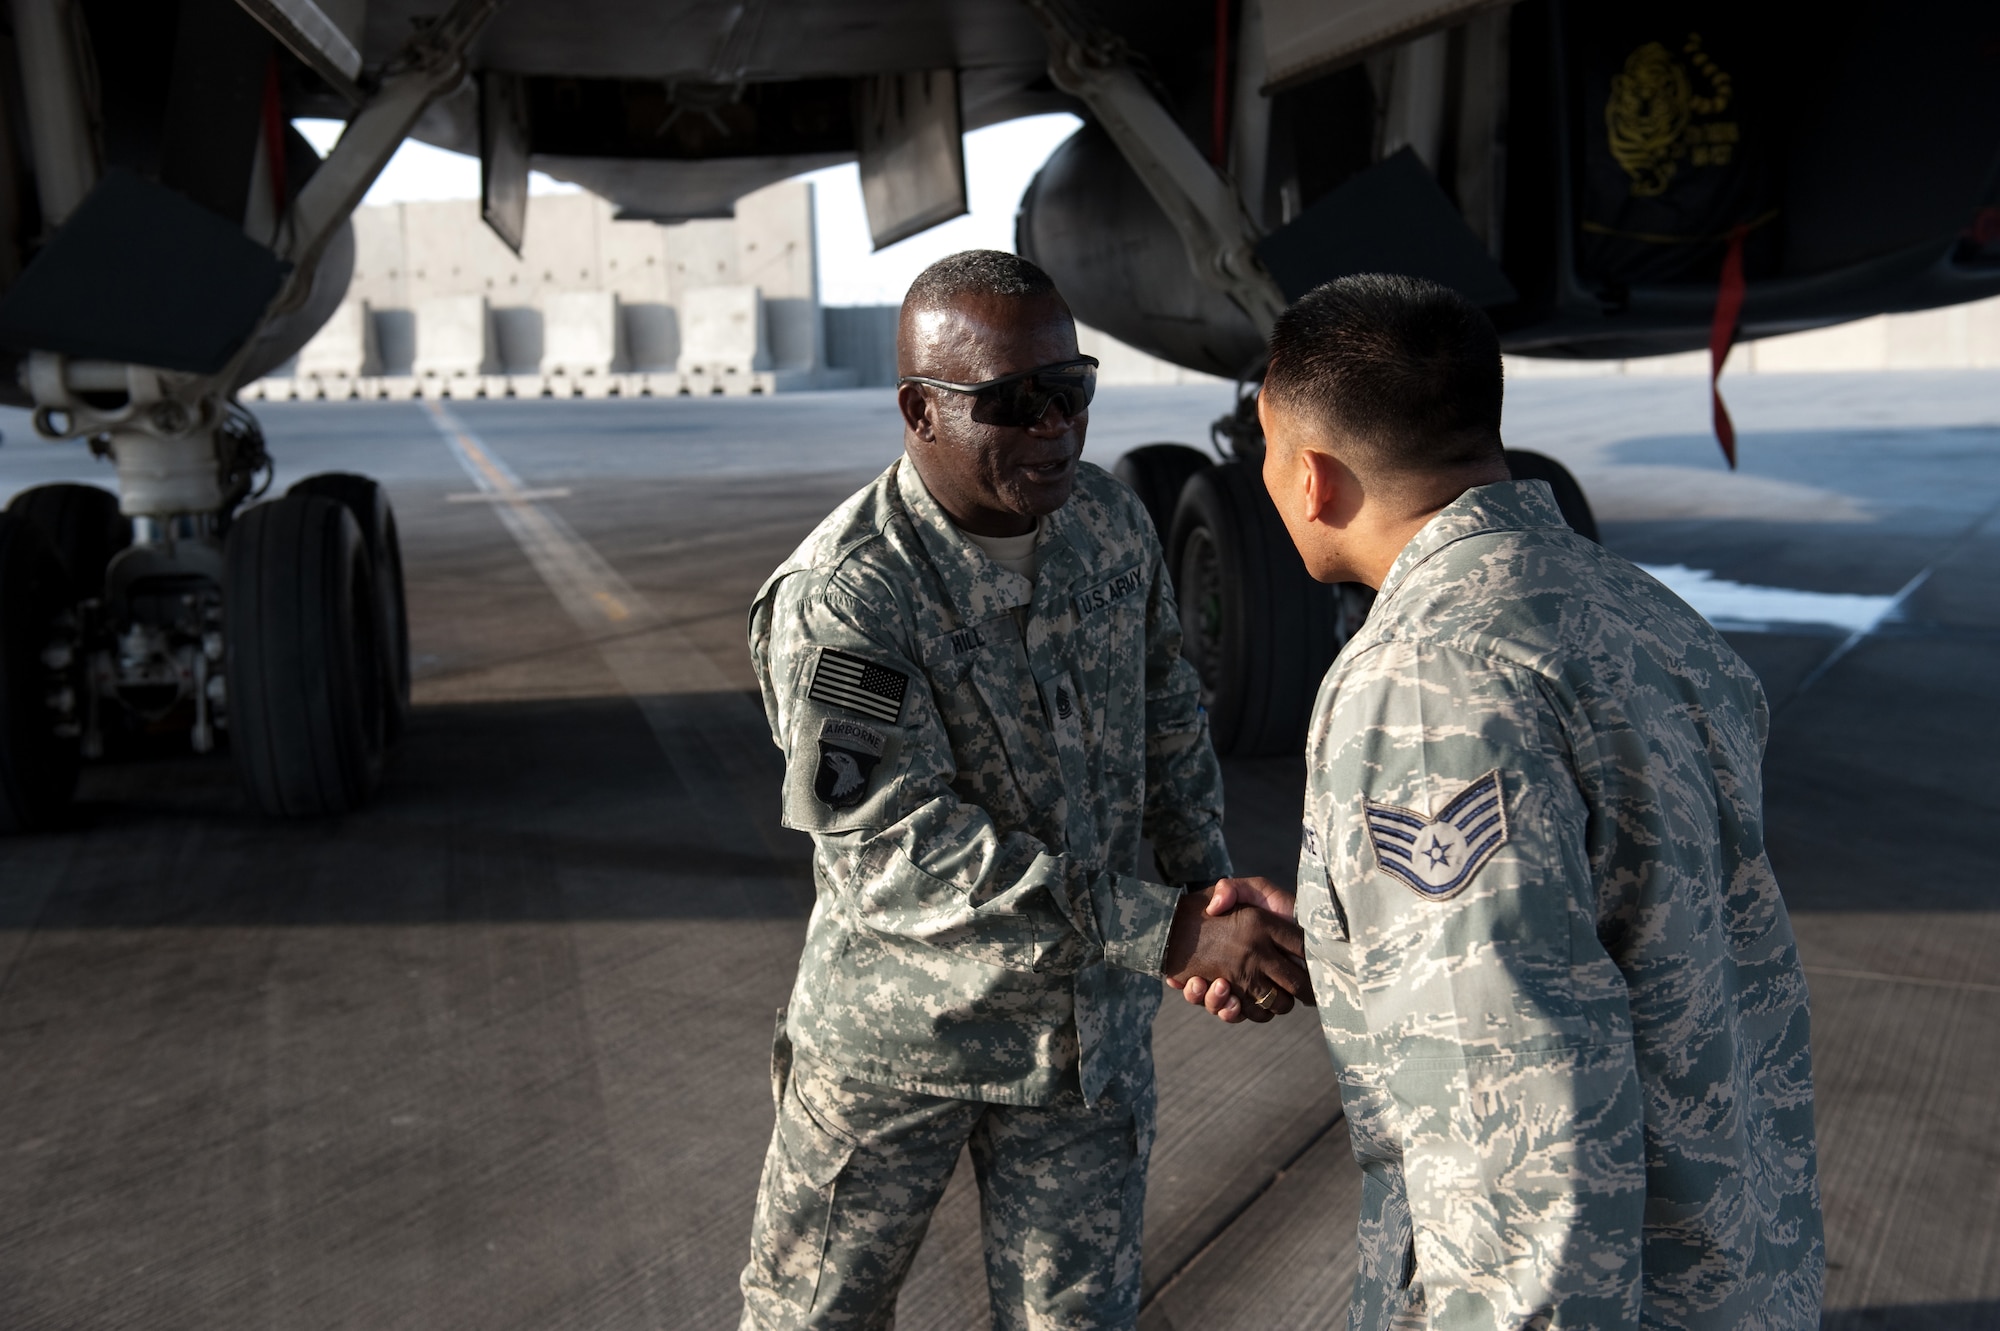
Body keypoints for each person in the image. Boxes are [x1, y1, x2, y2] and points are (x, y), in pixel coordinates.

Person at [1183, 273, 1823, 1329]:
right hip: (1735, 1272)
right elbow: (1631, 928)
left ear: (1313, 477)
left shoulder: (1424, 677)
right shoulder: (1643, 611)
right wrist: (1356, 934)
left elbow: (1510, 1118)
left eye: (1264, 449)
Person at [740, 250, 1311, 1331]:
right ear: (920, 409)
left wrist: (1212, 901)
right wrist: (1167, 930)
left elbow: (1168, 720)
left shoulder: (1109, 524)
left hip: (1080, 1048)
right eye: (1013, 401)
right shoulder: (850, 595)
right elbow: (898, 851)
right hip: (902, 1046)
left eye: (1072, 389)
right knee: (814, 1316)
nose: (1055, 425)